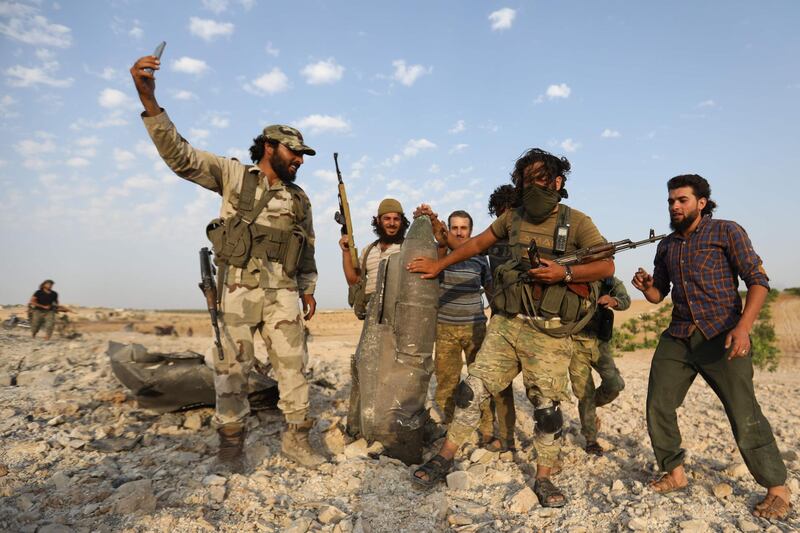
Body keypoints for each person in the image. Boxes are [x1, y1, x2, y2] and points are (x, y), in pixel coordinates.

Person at [131, 53, 325, 471]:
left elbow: (306, 246)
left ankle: (297, 440)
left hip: (283, 294)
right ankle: (232, 448)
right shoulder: (233, 175)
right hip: (236, 289)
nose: (300, 160)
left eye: (303, 154)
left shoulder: (299, 199)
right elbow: (181, 157)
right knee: (231, 372)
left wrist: (308, 288)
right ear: (270, 146)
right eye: (295, 151)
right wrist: (150, 102)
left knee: (294, 368)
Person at [408, 148, 614, 508]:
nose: (532, 186)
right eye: (525, 179)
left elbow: (606, 266)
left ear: (557, 182)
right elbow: (475, 244)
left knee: (547, 410)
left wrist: (563, 272)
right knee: (471, 391)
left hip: (549, 333)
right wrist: (440, 266)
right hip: (506, 324)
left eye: (540, 178)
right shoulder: (512, 219)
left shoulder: (577, 222)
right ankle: (445, 456)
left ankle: (544, 477)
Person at [632, 174, 791, 519]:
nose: (675, 206)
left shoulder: (726, 231)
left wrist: (744, 328)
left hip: (723, 334)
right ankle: (674, 472)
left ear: (701, 203)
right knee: (658, 402)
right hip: (679, 335)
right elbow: (660, 293)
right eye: (671, 201)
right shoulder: (667, 245)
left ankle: (777, 488)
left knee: (743, 410)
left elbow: (757, 280)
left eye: (682, 200)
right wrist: (646, 287)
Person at [430, 210, 515, 452]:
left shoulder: (479, 257)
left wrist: (501, 316)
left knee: (481, 383)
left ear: (470, 230)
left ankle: (486, 431)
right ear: (448, 230)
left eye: (463, 228)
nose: (458, 232)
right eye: (454, 228)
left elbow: (489, 289)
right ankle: (451, 428)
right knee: (447, 383)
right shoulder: (441, 254)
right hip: (445, 328)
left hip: (476, 327)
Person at [568, 276, 630, 456]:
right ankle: (591, 439)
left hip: (599, 345)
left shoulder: (609, 282)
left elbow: (625, 300)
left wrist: (614, 301)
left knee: (615, 384)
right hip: (575, 345)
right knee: (584, 394)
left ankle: (589, 408)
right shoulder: (570, 276)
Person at [339, 198, 409, 315]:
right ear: (378, 220)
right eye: (387, 218)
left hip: (400, 314)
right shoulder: (368, 250)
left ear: (402, 222)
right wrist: (346, 251)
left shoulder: (409, 248)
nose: (392, 223)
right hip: (371, 315)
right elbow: (353, 281)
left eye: (396, 219)